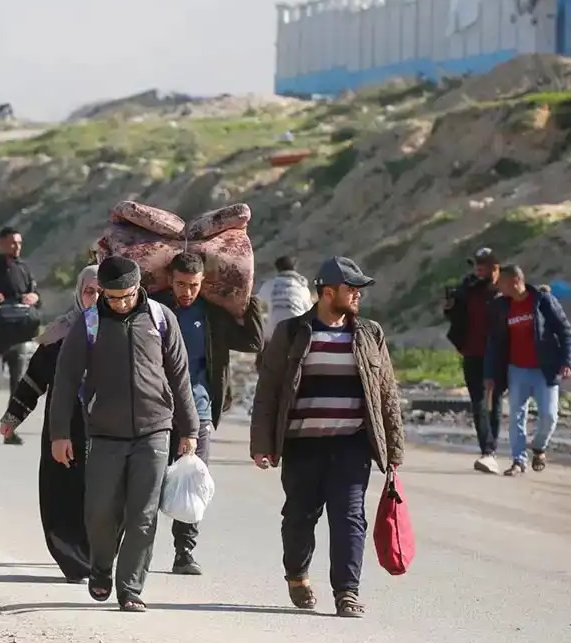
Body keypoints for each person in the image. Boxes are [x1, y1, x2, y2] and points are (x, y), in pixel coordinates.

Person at [250, 257, 404, 619]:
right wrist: (261, 445)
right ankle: (297, 574)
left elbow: (386, 394)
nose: (358, 296)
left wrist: (394, 449)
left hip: (351, 445)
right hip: (302, 445)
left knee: (350, 517)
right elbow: (268, 391)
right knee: (299, 517)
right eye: (352, 290)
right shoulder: (291, 333)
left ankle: (346, 593)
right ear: (328, 292)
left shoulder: (370, 334)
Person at [49, 257, 197, 612]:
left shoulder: (161, 319)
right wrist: (59, 434)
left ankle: (130, 588)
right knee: (100, 512)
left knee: (143, 514)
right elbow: (66, 380)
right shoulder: (89, 323)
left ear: (138, 287)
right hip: (104, 433)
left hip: (154, 431)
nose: (119, 303)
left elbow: (179, 376)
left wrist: (189, 429)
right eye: (111, 297)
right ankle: (102, 566)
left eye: (126, 296)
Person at [152, 251, 264, 576]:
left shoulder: (212, 314)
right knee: (146, 482)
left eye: (193, 285)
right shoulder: (154, 308)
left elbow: (254, 341)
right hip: (155, 410)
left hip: (199, 411)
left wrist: (248, 297)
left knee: (191, 482)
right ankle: (132, 549)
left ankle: (184, 553)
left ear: (204, 283)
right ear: (170, 280)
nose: (186, 292)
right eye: (180, 284)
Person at [0, 265, 100, 581]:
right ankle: (71, 558)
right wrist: (13, 415)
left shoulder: (122, 331)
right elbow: (35, 378)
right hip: (65, 427)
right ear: (79, 292)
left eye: (100, 291)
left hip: (107, 428)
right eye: (89, 291)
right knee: (62, 493)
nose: (95, 297)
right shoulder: (61, 332)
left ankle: (98, 555)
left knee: (102, 495)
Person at [484, 265, 571, 475]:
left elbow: (565, 332)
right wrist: (490, 373)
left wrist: (567, 362)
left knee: (549, 416)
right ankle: (518, 461)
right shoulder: (502, 307)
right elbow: (494, 342)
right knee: (517, 415)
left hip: (545, 369)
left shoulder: (543, 301)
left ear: (516, 281)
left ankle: (539, 446)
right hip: (517, 370)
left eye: (503, 283)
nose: (500, 287)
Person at [0, 227, 41, 445]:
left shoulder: (25, 269)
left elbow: (36, 296)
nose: (16, 247)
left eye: (19, 243)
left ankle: (9, 431)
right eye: (12, 243)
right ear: (1, 244)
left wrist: (33, 297)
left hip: (20, 336)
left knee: (17, 388)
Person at [443, 248, 505, 474]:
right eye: (476, 264)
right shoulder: (468, 288)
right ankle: (487, 451)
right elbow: (453, 313)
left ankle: (492, 448)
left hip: (496, 355)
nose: (478, 268)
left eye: (483, 264)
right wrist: (450, 305)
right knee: (478, 402)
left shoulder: (502, 290)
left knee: (495, 401)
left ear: (495, 267)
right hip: (471, 352)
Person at [256, 255, 313, 344]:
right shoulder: (303, 288)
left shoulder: (269, 285)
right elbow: (310, 311)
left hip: (274, 332)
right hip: (297, 331)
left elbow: (258, 302)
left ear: (277, 269)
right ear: (294, 268)